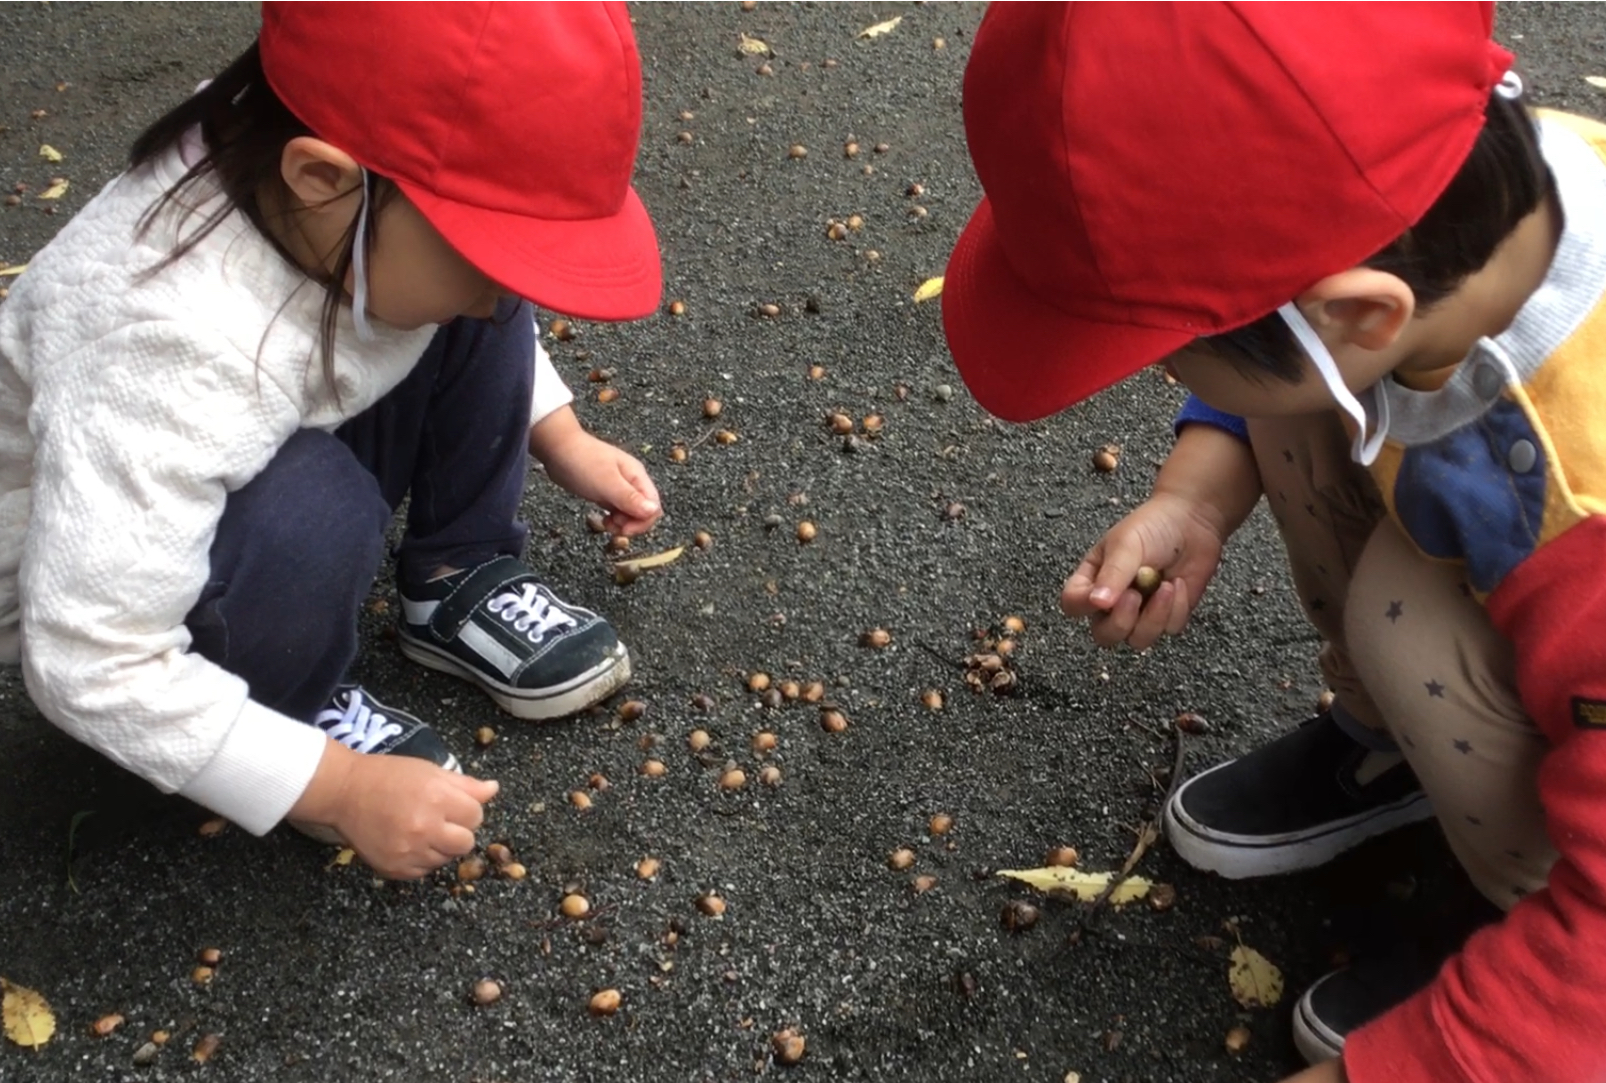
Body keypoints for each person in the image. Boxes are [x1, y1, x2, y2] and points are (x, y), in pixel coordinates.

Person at [943, 3, 1606, 1081]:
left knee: (1403, 623)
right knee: (1291, 411)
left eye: (1169, 350)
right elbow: (1287, 367)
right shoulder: (1477, 193)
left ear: (1358, 316)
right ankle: (1393, 747)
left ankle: (1520, 907)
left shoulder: (1586, 505)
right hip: (1497, 560)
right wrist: (1195, 502)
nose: (1160, 374)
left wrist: (1439, 1057)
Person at [0, 3, 665, 882]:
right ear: (320, 176)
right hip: (109, 592)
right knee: (316, 509)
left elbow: (454, 288)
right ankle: (288, 699)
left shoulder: (307, 178)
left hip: (235, 431)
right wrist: (337, 785)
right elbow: (87, 655)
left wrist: (557, 431)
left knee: (468, 296)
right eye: (482, 257)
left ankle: (453, 574)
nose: (496, 294)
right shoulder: (164, 345)